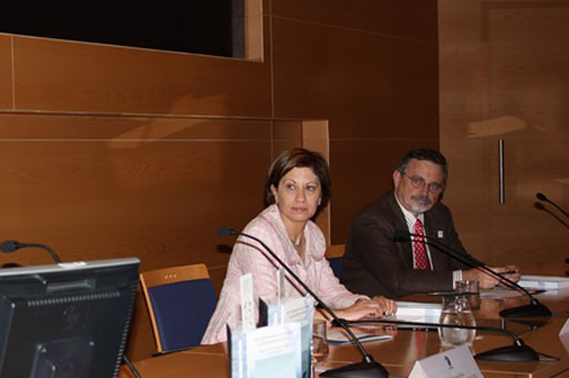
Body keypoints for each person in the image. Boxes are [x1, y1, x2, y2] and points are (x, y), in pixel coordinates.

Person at [201, 148, 396, 344]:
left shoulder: (312, 234)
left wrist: (363, 304)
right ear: (275, 192)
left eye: (310, 188)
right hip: (232, 348)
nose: (301, 197)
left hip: (284, 343)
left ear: (320, 197)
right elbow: (272, 311)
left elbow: (330, 291)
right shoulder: (258, 236)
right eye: (291, 187)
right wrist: (342, 314)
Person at [339, 147, 520, 298]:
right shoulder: (372, 221)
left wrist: (494, 275)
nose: (425, 192)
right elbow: (399, 281)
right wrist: (466, 278)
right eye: (417, 181)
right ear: (397, 178)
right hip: (383, 313)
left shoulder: (439, 214)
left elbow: (460, 260)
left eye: (434, 186)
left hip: (432, 307)